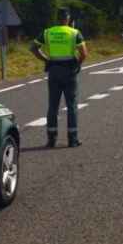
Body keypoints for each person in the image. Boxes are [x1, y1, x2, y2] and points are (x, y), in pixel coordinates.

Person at [30, 9, 88, 148]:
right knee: (71, 106)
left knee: (53, 106)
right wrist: (77, 64)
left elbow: (33, 48)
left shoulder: (47, 32)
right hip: (69, 71)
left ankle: (51, 139)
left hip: (54, 71)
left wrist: (46, 59)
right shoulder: (74, 33)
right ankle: (72, 139)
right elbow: (84, 53)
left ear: (57, 18)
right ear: (68, 18)